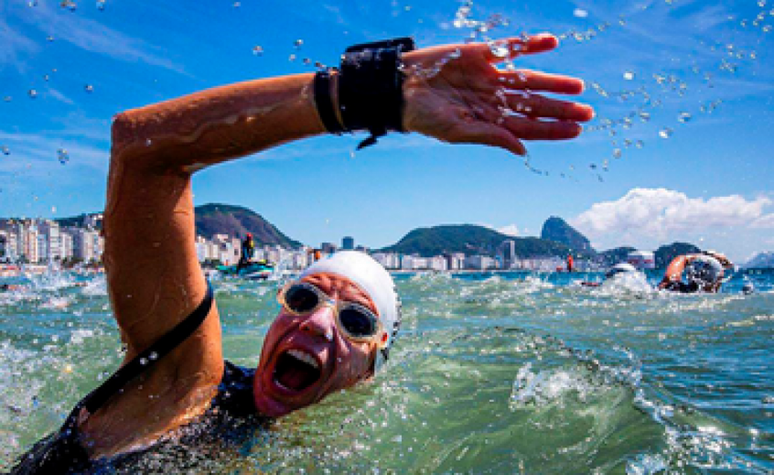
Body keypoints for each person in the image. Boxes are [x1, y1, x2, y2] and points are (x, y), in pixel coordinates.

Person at [12, 33, 593, 473]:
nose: (316, 321)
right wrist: (368, 92)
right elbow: (143, 150)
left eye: (356, 320)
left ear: (371, 367)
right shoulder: (190, 386)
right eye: (303, 296)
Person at [658, 250, 733, 293]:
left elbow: (681, 259)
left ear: (690, 275)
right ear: (718, 281)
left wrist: (692, 257)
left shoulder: (674, 290)